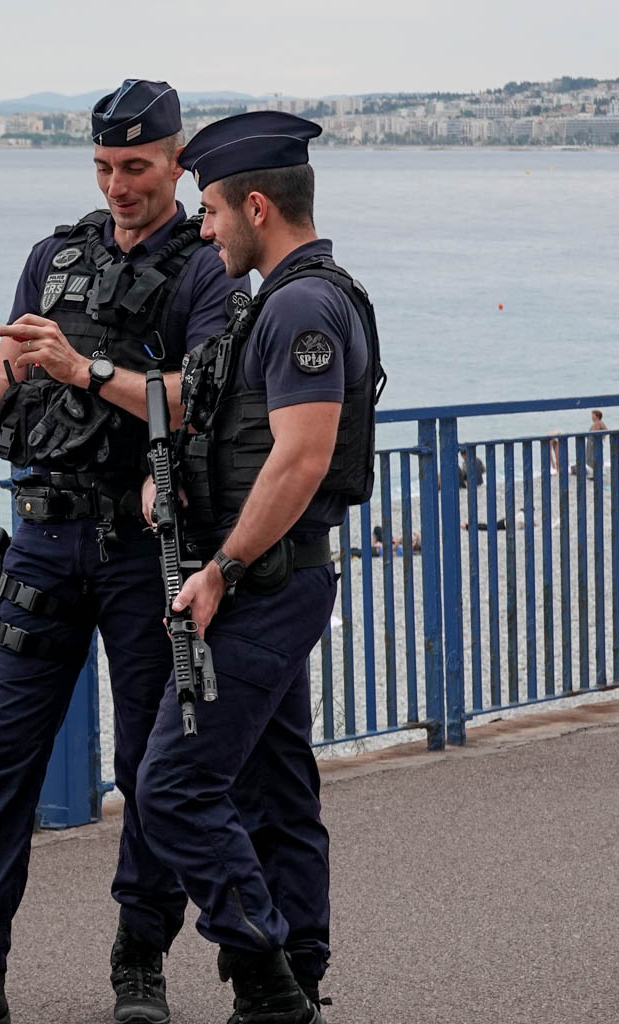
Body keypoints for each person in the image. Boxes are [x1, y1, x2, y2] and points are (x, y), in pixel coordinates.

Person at [0, 79, 246, 1024]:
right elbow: (8, 403)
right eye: (103, 167)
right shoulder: (51, 258)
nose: (117, 186)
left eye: (135, 167)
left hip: (145, 551)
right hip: (41, 542)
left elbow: (204, 401)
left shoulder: (208, 268)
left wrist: (84, 367)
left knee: (150, 770)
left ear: (176, 165)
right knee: (0, 764)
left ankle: (139, 961)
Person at [135, 110, 385, 1024]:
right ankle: (297, 974)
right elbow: (238, 436)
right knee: (274, 790)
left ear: (253, 207)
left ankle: (268, 981)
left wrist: (222, 571)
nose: (202, 231)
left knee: (171, 787)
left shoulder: (300, 305)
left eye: (208, 211)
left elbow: (301, 456)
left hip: (262, 583)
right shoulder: (288, 298)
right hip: (275, 575)